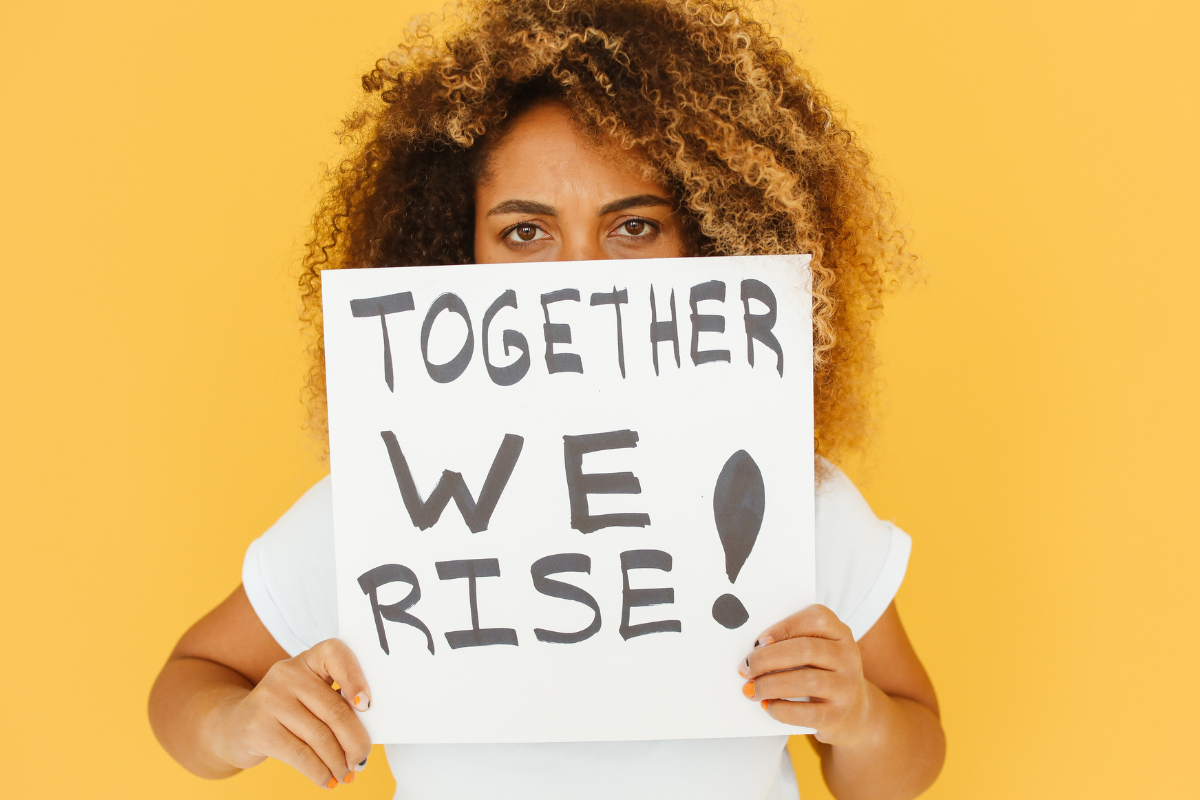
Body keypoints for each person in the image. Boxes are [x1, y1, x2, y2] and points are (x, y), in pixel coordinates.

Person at [148, 1, 945, 797]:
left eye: (634, 227)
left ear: (710, 238)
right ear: (451, 254)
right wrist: (240, 722)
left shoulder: (784, 500)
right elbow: (190, 683)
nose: (580, 275)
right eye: (525, 232)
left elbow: (904, 762)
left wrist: (860, 716)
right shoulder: (392, 510)